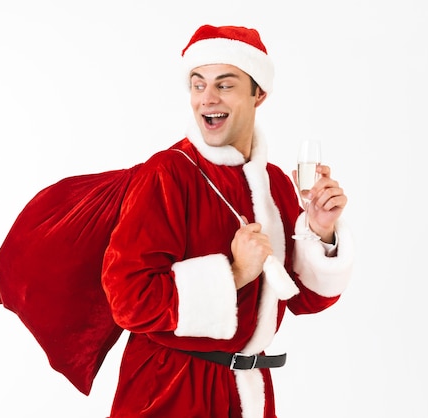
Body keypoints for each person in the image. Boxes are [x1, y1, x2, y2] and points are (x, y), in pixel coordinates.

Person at [101, 24, 354, 418]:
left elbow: (303, 299)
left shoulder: (274, 184)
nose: (207, 99)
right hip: (169, 391)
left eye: (225, 85)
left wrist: (320, 230)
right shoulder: (167, 175)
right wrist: (235, 273)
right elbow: (127, 299)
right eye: (198, 85)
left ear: (259, 94)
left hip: (248, 393)